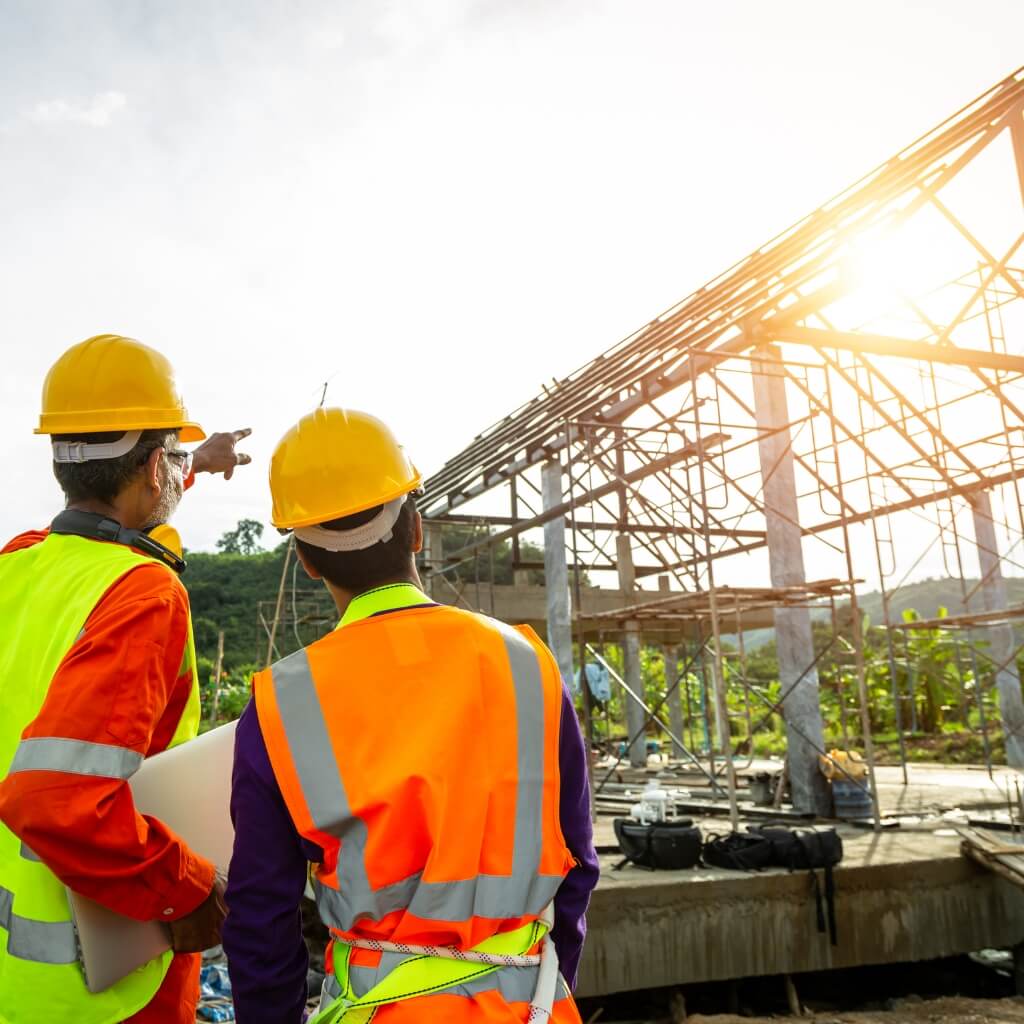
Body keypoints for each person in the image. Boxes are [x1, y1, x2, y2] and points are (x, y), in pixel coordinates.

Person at [223, 407, 600, 1023]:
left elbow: (261, 917)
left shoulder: (280, 703)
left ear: (308, 560)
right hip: (533, 1009)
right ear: (416, 529)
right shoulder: (529, 666)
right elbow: (578, 867)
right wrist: (539, 984)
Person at [0, 334, 252, 1024]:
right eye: (171, 459)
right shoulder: (142, 593)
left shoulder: (15, 566)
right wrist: (190, 892)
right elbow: (55, 800)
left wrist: (193, 461)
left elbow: (124, 507)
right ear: (150, 470)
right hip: (101, 992)